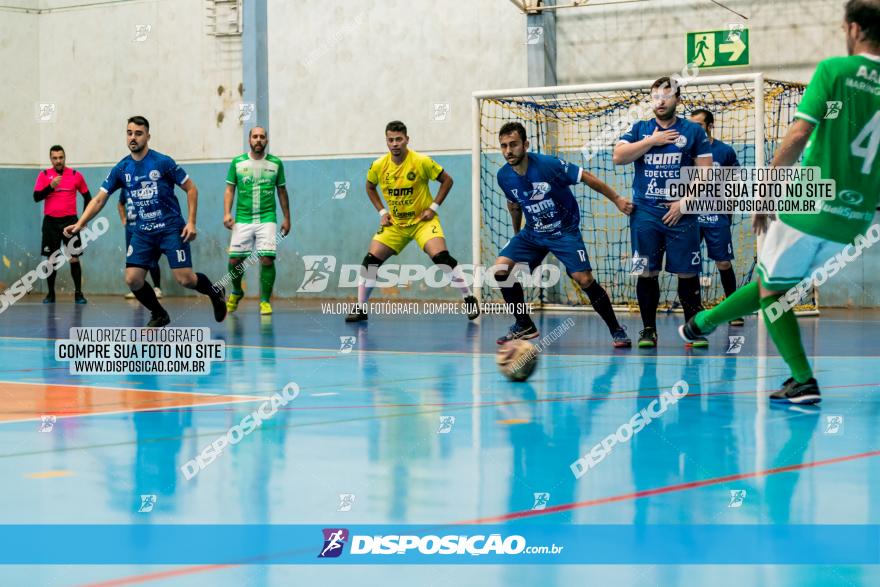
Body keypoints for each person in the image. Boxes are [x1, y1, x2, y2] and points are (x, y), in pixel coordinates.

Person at [680, 0, 880, 404]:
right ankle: (701, 323)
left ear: (855, 29)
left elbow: (798, 135)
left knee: (773, 292)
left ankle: (802, 379)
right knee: (772, 281)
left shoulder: (835, 71)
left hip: (811, 204)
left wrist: (767, 189)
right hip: (855, 219)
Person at [64, 116, 227, 327]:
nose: (133, 137)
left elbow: (191, 188)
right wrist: (80, 223)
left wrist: (191, 222)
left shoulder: (162, 162)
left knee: (185, 279)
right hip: (143, 231)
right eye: (129, 133)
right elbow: (99, 199)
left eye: (138, 134)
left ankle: (215, 292)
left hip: (170, 228)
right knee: (132, 279)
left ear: (147, 136)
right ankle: (159, 314)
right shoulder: (122, 169)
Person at [493, 121, 633, 347]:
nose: (508, 151)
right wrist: (517, 234)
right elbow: (514, 205)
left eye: (513, 145)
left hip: (563, 231)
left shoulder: (548, 166)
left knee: (584, 279)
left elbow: (586, 176)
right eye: (503, 146)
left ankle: (616, 329)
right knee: (500, 270)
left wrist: (617, 199)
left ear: (525, 145)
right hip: (533, 232)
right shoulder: (504, 176)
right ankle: (524, 324)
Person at [612, 77, 714, 347]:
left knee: (688, 273)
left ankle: (693, 329)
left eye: (666, 96)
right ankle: (648, 330)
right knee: (645, 272)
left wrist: (685, 203)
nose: (660, 101)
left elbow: (706, 172)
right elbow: (618, 156)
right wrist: (652, 141)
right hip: (645, 214)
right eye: (655, 96)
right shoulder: (640, 129)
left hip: (683, 213)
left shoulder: (693, 132)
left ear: (677, 99)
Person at [345, 120, 479, 322]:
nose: (395, 143)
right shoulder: (379, 166)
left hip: (422, 222)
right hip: (395, 224)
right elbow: (370, 187)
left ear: (407, 139)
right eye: (391, 140)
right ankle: (361, 308)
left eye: (399, 139)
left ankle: (469, 298)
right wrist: (382, 211)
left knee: (441, 257)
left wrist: (433, 208)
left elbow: (447, 181)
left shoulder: (421, 161)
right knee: (370, 261)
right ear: (387, 142)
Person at [223, 126, 290, 316]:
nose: (258, 140)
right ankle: (236, 291)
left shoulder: (276, 163)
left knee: (266, 258)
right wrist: (227, 213)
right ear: (249, 140)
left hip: (267, 218)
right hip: (243, 218)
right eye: (255, 136)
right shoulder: (237, 163)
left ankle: (265, 301)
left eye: (262, 137)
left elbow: (282, 192)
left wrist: (287, 218)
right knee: (235, 259)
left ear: (266, 141)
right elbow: (229, 190)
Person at [689, 108, 744, 326]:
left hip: (717, 215)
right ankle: (695, 311)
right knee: (689, 265)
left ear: (710, 125)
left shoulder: (725, 151)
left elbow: (735, 183)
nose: (694, 129)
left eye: (699, 125)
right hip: (691, 216)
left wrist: (728, 210)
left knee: (723, 262)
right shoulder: (686, 151)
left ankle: (732, 309)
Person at [33, 145, 92, 304]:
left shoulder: (75, 175)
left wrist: (83, 221)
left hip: (70, 223)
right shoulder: (44, 175)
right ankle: (51, 294)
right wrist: (50, 187)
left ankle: (78, 294)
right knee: (51, 259)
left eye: (61, 157)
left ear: (64, 157)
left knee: (74, 258)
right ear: (51, 159)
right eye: (55, 158)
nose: (58, 161)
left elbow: (88, 197)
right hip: (51, 223)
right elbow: (36, 197)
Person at [118, 194, 162, 299]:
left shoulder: (145, 186)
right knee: (133, 259)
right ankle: (136, 289)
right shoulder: (125, 186)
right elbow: (120, 204)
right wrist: (124, 219)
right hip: (130, 228)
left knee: (152, 259)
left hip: (145, 227)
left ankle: (157, 288)